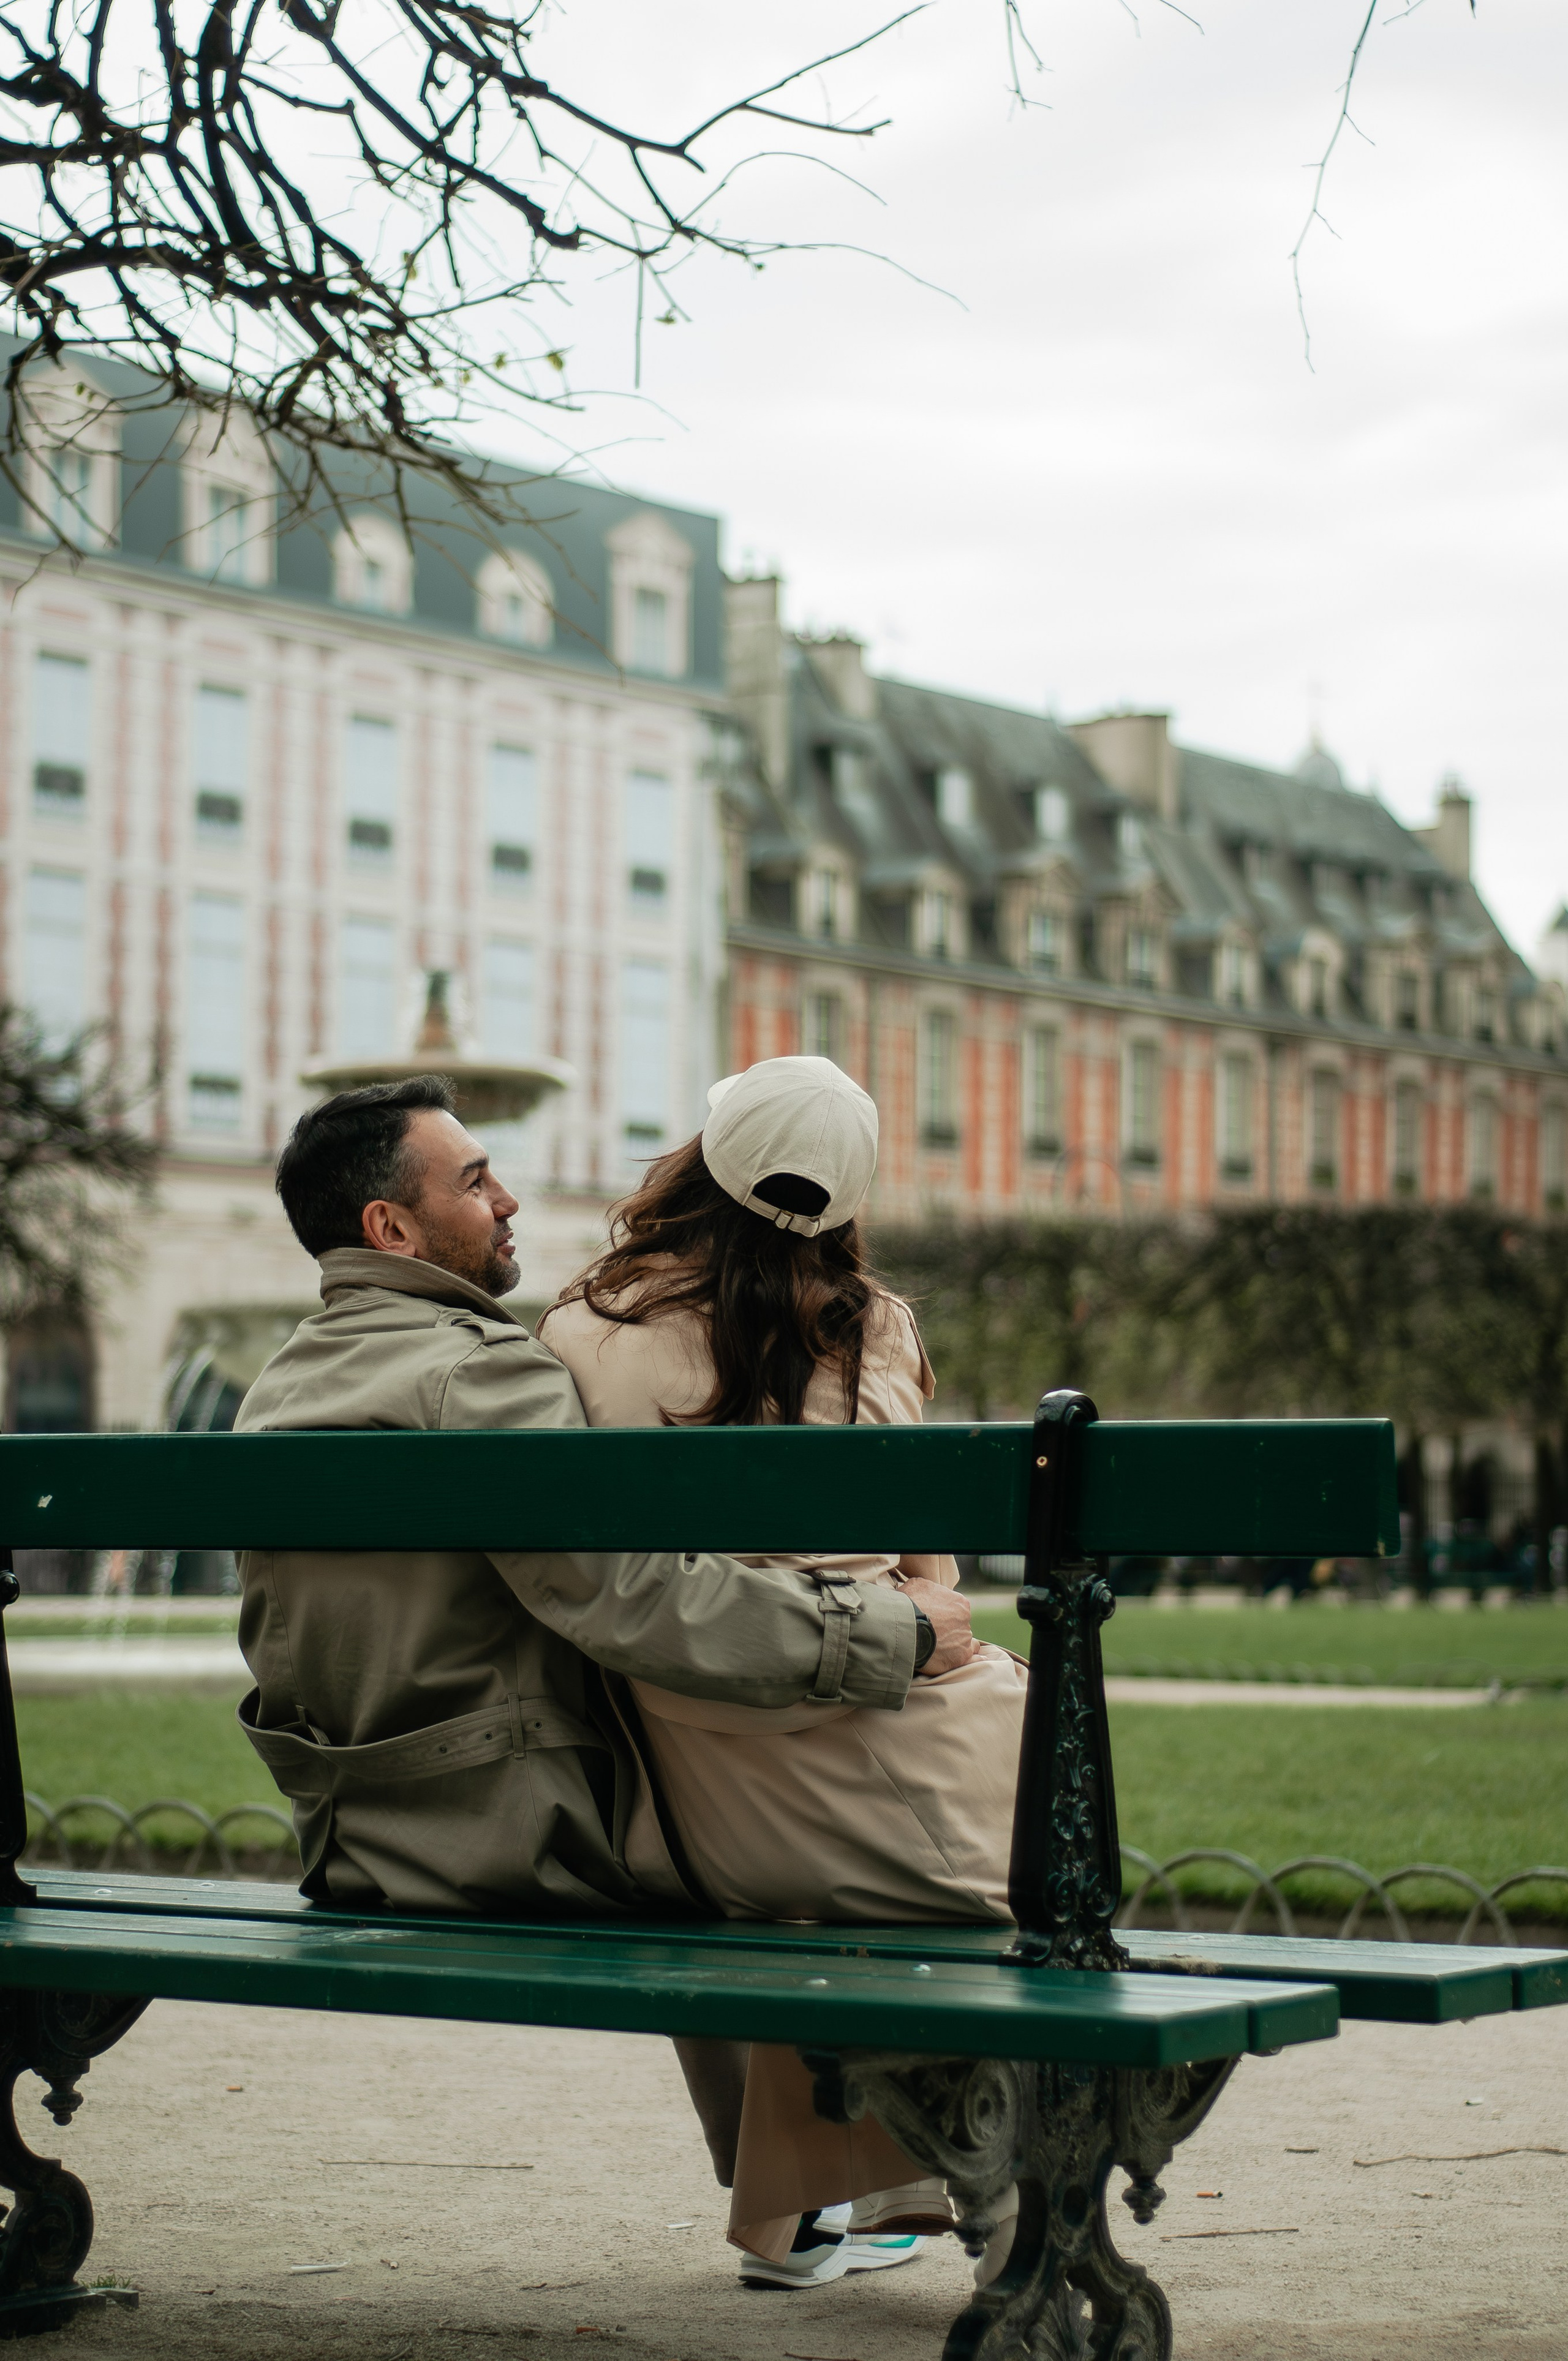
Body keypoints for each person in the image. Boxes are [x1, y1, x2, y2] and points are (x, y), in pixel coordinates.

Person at [231, 1075, 975, 2194]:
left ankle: (809, 2196)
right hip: (507, 1834)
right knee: (790, 1814)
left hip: (351, 1834)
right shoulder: (481, 1375)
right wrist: (880, 1633)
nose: (511, 1200)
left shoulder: (281, 1383)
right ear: (391, 1227)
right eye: (477, 1182)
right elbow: (631, 1598)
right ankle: (852, 2190)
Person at [540, 1055, 1028, 2286]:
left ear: (702, 1160)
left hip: (695, 1784)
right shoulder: (874, 1330)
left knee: (805, 1899)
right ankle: (1000, 2210)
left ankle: (794, 2219)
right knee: (1030, 1838)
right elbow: (934, 1591)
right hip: (885, 1752)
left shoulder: (581, 1330)